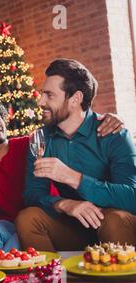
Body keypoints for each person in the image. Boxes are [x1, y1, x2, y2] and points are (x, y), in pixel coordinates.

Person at [0, 96, 123, 257]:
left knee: (18, 239)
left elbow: (65, 128)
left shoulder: (31, 145)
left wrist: (106, 119)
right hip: (8, 225)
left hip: (43, 220)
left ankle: (7, 278)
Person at [16, 58, 136, 250]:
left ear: (75, 99)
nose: (40, 102)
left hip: (118, 224)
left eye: (49, 95)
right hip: (76, 227)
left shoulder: (114, 133)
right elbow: (32, 194)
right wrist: (64, 204)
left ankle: (119, 279)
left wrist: (74, 178)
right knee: (28, 218)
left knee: (113, 220)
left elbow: (132, 198)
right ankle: (52, 279)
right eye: (42, 94)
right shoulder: (41, 139)